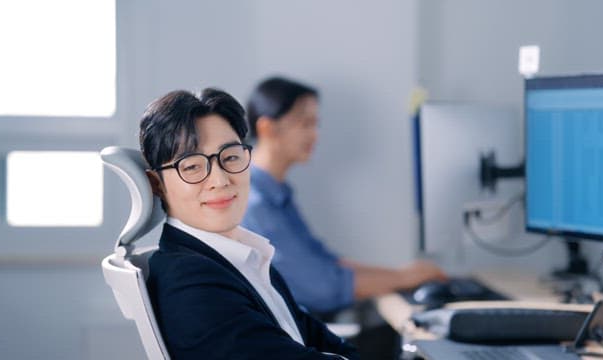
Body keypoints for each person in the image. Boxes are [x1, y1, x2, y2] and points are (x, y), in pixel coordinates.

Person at [141, 89, 359, 359]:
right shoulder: (190, 284)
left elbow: (326, 342)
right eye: (192, 166)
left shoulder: (247, 257)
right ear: (156, 185)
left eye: (231, 157)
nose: (220, 180)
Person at [242, 77, 447, 315]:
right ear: (267, 128)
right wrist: (403, 277)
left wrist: (402, 274)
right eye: (305, 123)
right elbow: (323, 287)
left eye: (315, 124)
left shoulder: (276, 192)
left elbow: (325, 262)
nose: (315, 135)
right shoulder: (255, 203)